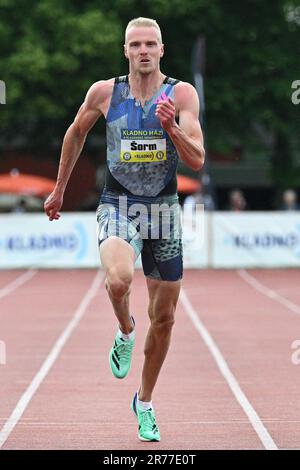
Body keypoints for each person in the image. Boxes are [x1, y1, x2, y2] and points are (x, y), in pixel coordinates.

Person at [44, 17, 205, 442]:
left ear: (162, 49)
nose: (144, 51)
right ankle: (125, 331)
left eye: (151, 43)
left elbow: (198, 159)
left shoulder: (181, 94)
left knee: (166, 318)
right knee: (118, 280)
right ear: (126, 50)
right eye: (136, 44)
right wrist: (59, 189)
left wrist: (171, 128)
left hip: (165, 210)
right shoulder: (105, 92)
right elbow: (75, 133)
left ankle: (145, 402)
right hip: (119, 203)